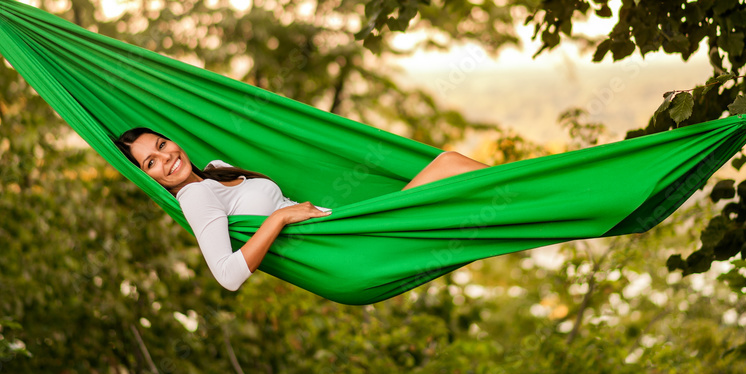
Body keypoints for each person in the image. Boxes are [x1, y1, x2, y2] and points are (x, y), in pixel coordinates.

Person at [115, 127, 487, 291]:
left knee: (458, 187)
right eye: (150, 163)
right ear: (149, 179)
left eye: (162, 145)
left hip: (342, 227)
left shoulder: (213, 171)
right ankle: (535, 195)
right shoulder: (194, 198)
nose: (166, 157)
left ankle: (537, 198)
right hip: (341, 249)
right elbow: (227, 276)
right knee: (451, 167)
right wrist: (278, 218)